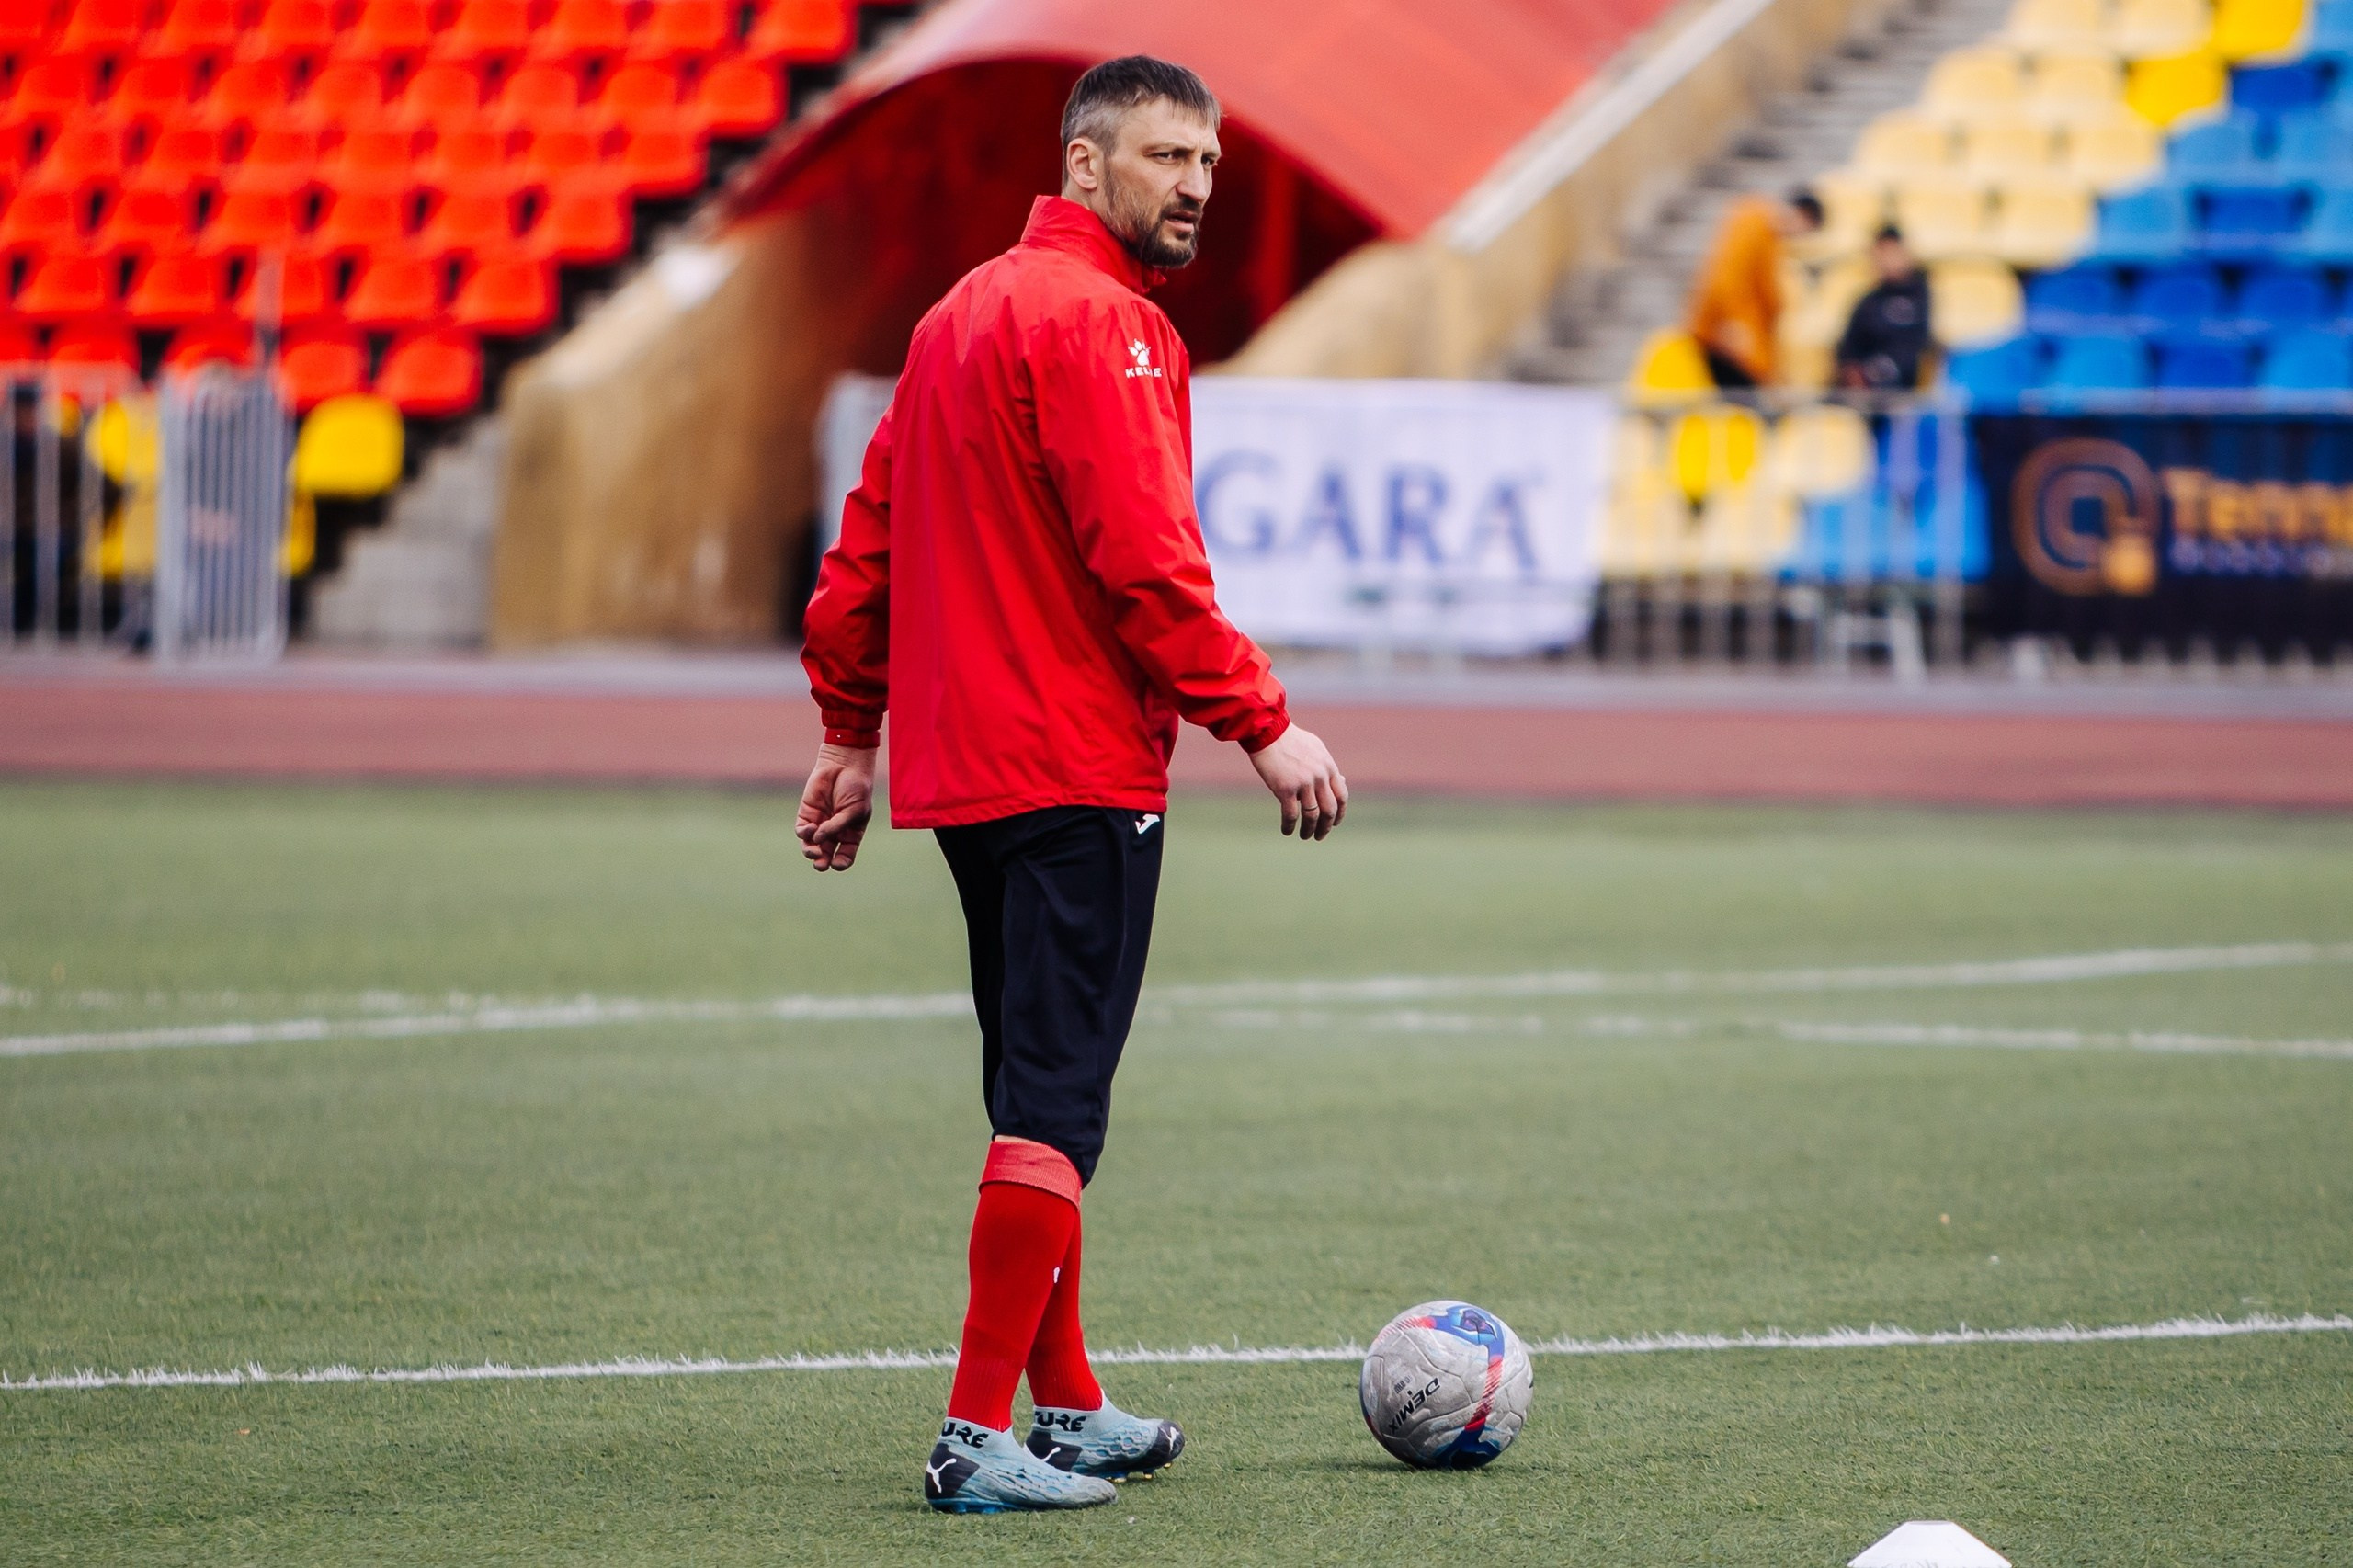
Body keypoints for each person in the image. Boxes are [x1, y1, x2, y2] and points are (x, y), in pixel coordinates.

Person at [794, 55, 1349, 1516]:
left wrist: (853, 732)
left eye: (1211, 165)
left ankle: (1070, 1403)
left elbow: (867, 550)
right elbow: (1149, 563)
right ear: (1085, 166)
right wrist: (1264, 723)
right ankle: (977, 1434)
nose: (1196, 188)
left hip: (968, 777)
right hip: (1079, 766)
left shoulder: (953, 317)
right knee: (1057, 1101)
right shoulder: (1113, 328)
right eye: (1169, 158)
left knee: (1027, 1088)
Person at [1686, 187, 1824, 390]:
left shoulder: (1771, 240)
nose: (1798, 238)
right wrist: (1734, 324)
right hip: (1727, 338)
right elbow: (1727, 276)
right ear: (1803, 216)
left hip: (1744, 342)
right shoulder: (1755, 220)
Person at [1835, 225, 1932, 392]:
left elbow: (1917, 349)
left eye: (1891, 252)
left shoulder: (1921, 297)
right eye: (1880, 253)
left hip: (1905, 393)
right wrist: (1855, 376)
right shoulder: (1867, 302)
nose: (1885, 260)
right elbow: (1848, 349)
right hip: (1866, 394)